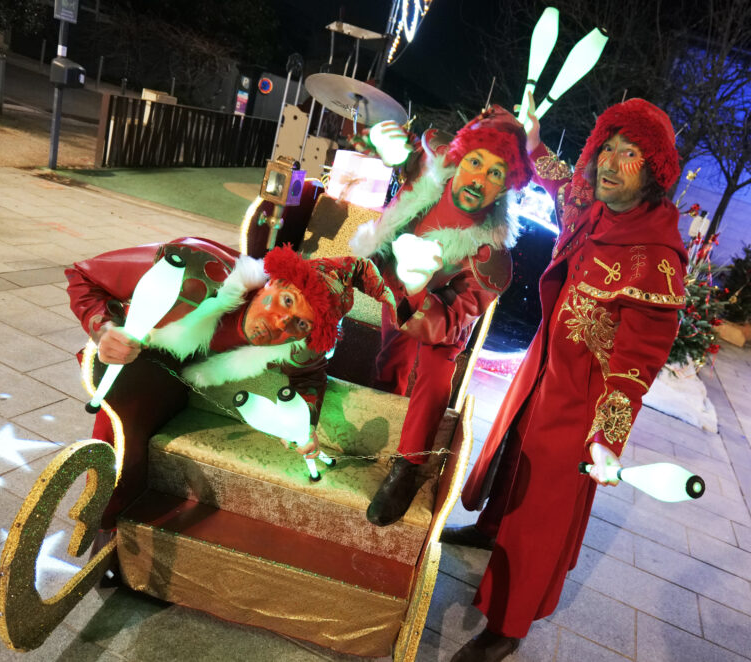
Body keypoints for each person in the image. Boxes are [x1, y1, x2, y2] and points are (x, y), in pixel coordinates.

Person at [443, 97, 688, 661]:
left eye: (629, 154)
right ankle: (489, 529)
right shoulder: (593, 204)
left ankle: (506, 627)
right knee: (512, 457)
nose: (610, 162)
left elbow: (636, 366)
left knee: (542, 510)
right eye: (608, 147)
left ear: (654, 170)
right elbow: (559, 180)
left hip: (581, 403)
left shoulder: (656, 259)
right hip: (544, 367)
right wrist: (531, 140)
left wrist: (606, 439)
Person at [66, 237, 395, 529]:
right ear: (272, 282)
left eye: (300, 324)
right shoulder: (194, 269)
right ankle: (104, 525)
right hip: (139, 354)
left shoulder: (298, 347)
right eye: (287, 300)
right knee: (122, 443)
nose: (282, 323)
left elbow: (310, 376)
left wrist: (302, 423)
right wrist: (104, 329)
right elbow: (83, 276)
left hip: (184, 378)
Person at [349, 106, 534, 526]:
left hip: (441, 317)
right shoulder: (432, 168)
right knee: (390, 358)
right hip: (395, 287)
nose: (479, 179)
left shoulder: (491, 258)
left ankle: (409, 466)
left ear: (505, 187)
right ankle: (378, 415)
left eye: (496, 173)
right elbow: (404, 154)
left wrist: (419, 285)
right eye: (475, 162)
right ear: (460, 157)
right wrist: (379, 142)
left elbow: (451, 322)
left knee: (435, 376)